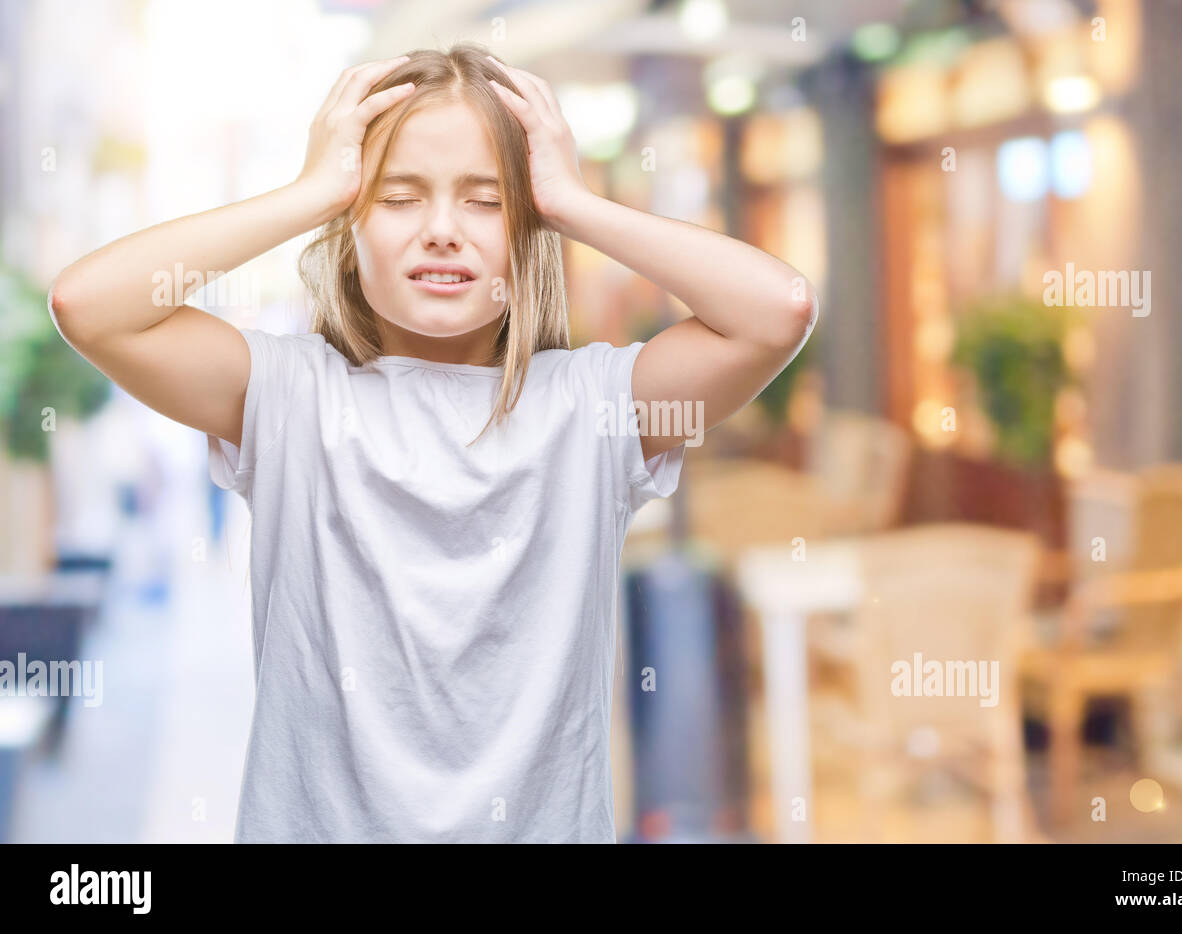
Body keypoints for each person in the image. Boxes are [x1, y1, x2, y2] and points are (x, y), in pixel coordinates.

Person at [46, 43, 817, 843]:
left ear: (529, 226)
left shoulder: (594, 406)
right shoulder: (286, 397)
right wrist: (308, 193)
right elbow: (87, 302)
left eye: (487, 201)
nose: (443, 231)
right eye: (400, 197)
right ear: (350, 224)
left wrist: (575, 204)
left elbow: (779, 310)